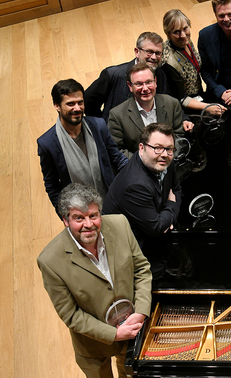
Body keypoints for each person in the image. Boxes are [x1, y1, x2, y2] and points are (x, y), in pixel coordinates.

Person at [37, 183, 152, 378]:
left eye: (93, 215)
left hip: (131, 326)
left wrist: (142, 311)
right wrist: (114, 333)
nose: (89, 224)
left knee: (128, 371)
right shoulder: (50, 260)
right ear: (65, 220)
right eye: (79, 218)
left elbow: (142, 270)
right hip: (93, 342)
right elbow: (71, 315)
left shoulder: (120, 225)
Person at [38, 79, 128, 217]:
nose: (77, 108)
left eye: (80, 102)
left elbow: (116, 158)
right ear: (57, 106)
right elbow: (52, 186)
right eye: (70, 104)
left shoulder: (99, 125)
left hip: (112, 202)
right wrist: (66, 216)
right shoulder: (47, 144)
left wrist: (138, 177)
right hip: (80, 214)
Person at [103, 123, 182, 274]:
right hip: (129, 252)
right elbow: (157, 227)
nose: (164, 154)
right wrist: (170, 208)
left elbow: (177, 189)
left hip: (148, 230)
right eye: (157, 148)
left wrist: (166, 217)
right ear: (141, 148)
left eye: (169, 148)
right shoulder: (135, 185)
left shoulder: (163, 161)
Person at [107, 63, 190, 159]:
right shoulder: (117, 115)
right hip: (139, 170)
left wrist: (166, 159)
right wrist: (145, 162)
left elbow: (178, 137)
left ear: (155, 82)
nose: (145, 88)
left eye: (149, 82)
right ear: (130, 86)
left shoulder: (172, 104)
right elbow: (117, 150)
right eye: (139, 84)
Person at [84, 32, 170, 121]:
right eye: (149, 52)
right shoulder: (113, 74)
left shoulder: (161, 75)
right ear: (137, 52)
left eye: (158, 53)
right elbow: (87, 100)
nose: (154, 57)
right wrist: (102, 124)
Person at [161, 10, 212, 112]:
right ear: (168, 34)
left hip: (198, 95)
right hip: (185, 107)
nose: (183, 35)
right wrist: (207, 107)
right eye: (176, 32)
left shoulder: (186, 42)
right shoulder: (168, 62)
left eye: (185, 28)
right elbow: (180, 98)